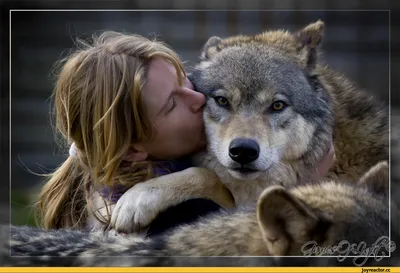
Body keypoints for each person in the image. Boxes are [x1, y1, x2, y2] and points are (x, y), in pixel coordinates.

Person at [35, 31, 336, 234]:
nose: (199, 99)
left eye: (186, 83)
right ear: (132, 150)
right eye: (171, 105)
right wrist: (300, 199)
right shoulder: (175, 218)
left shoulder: (109, 164)